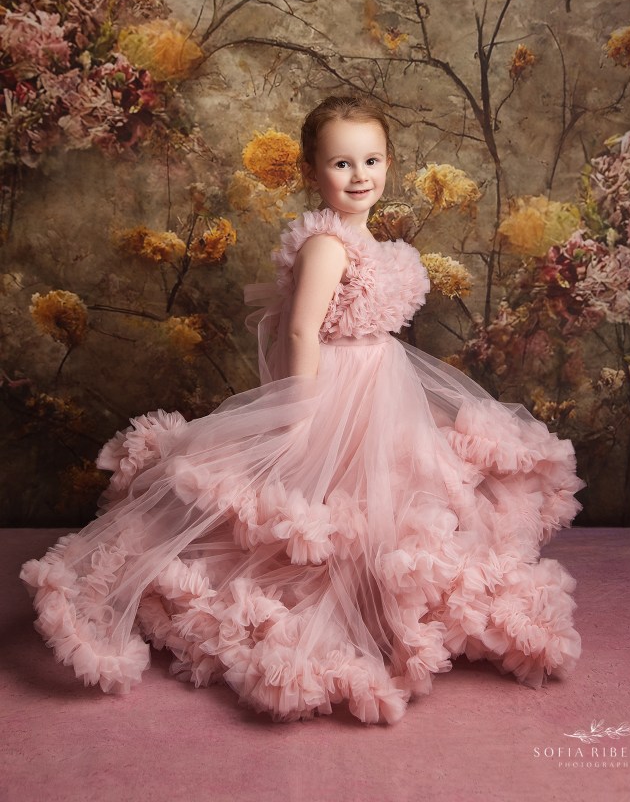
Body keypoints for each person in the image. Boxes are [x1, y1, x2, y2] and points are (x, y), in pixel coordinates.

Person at [20, 94, 586, 725]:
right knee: (326, 502)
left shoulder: (361, 237)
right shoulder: (325, 245)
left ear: (389, 164)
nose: (359, 175)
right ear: (312, 172)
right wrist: (300, 407)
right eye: (341, 164)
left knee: (392, 495)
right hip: (335, 385)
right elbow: (299, 331)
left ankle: (380, 593)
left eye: (371, 160)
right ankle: (340, 602)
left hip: (381, 380)